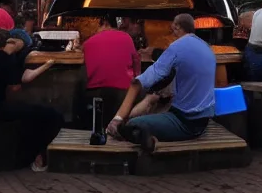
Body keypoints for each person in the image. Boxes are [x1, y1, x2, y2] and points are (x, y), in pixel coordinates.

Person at [106, 14, 215, 152]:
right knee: (154, 103)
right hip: (204, 120)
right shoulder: (206, 47)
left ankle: (146, 138)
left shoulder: (177, 47)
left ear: (176, 27)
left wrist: (117, 119)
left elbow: (137, 83)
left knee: (132, 125)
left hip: (186, 122)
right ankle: (149, 133)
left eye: (173, 29)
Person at [0, 28, 63, 171]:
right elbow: (15, 88)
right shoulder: (4, 59)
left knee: (29, 114)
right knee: (54, 116)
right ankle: (34, 157)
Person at [82, 16, 141, 128]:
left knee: (96, 123)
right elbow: (136, 62)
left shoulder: (88, 42)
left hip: (95, 90)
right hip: (123, 91)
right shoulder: (127, 37)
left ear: (104, 24)